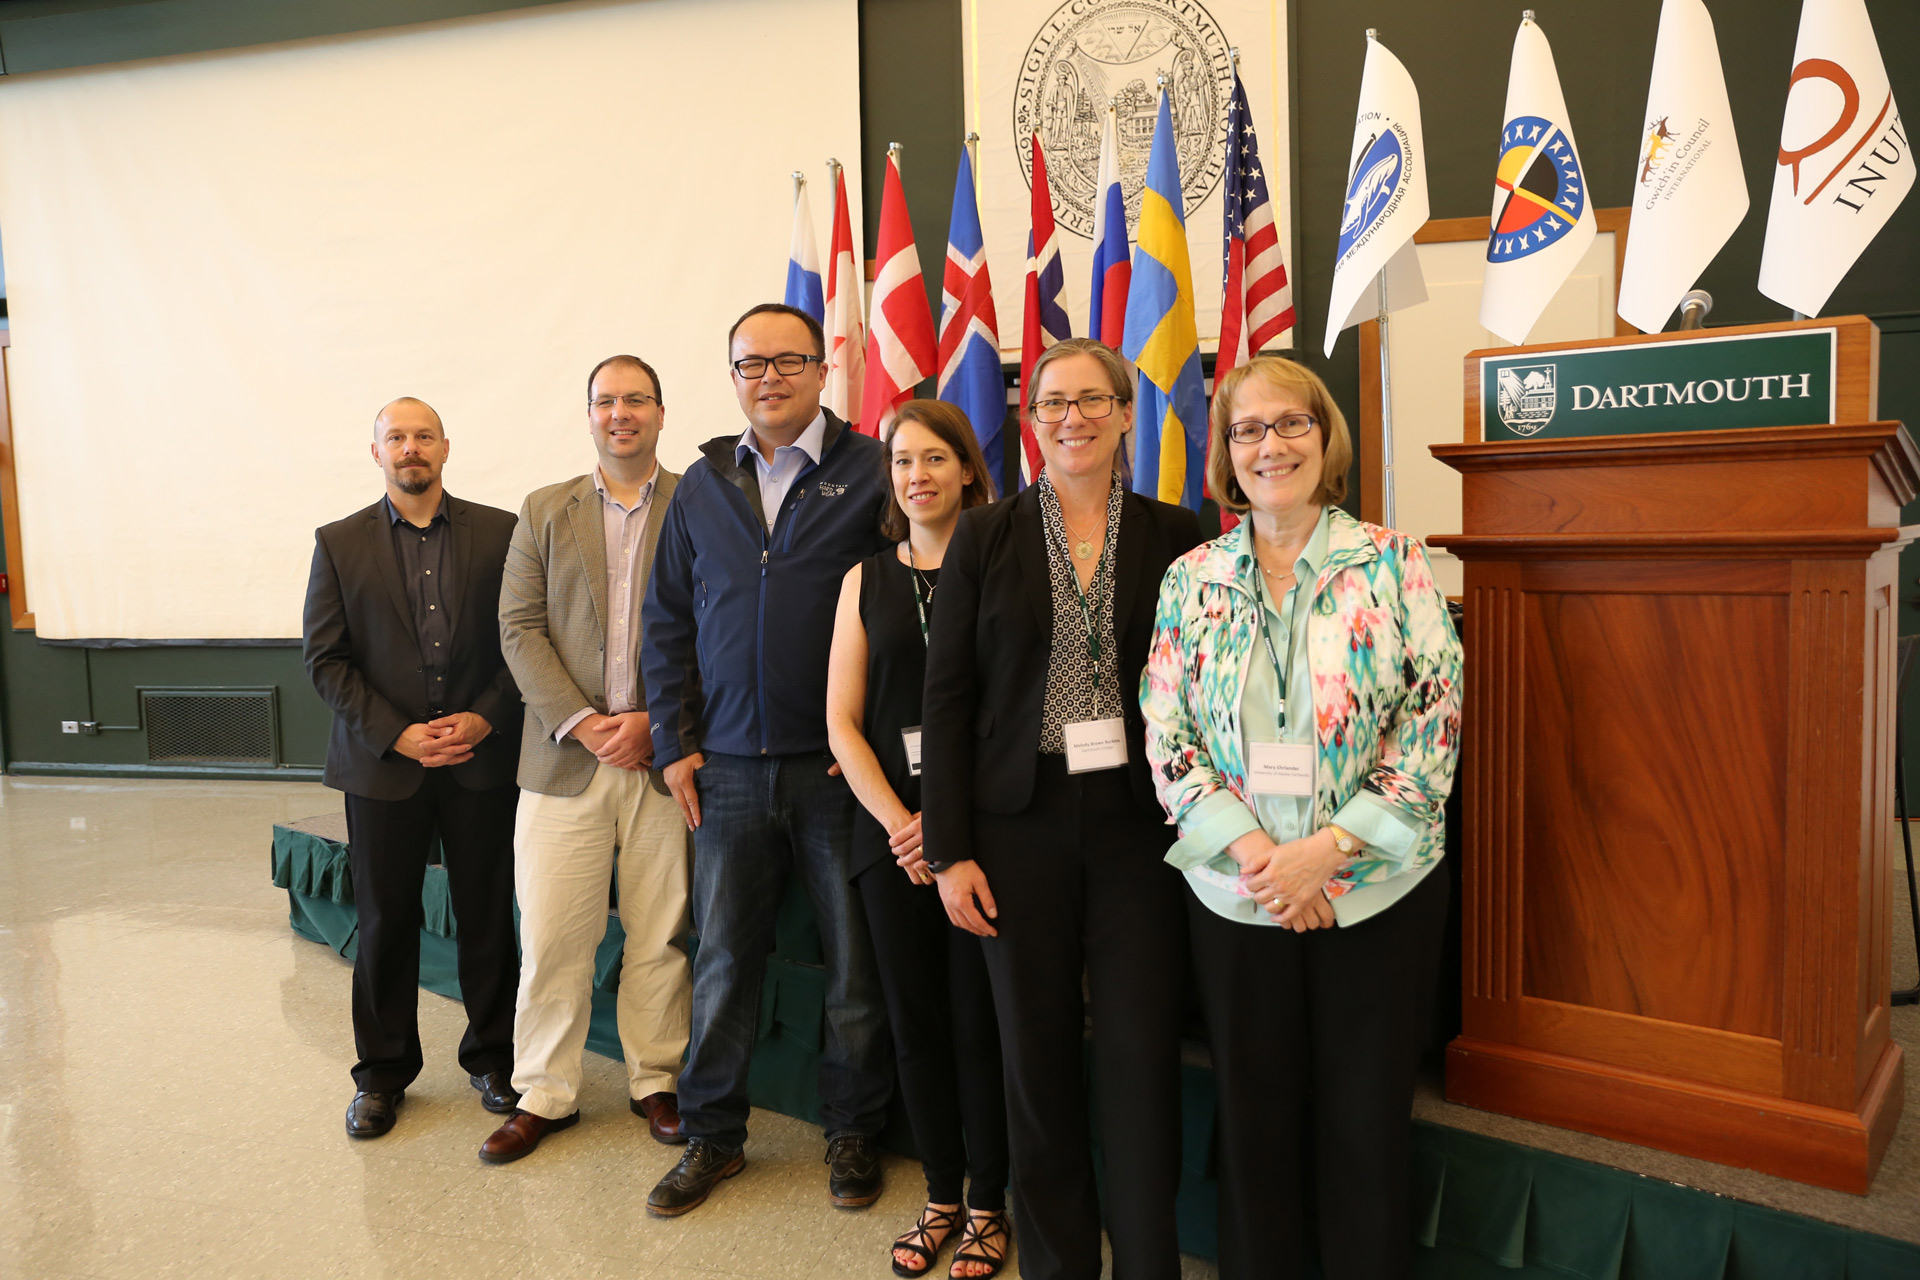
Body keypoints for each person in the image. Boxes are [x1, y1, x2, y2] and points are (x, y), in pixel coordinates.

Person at [1140, 355, 1463, 1280]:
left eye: (1292, 424)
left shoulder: (1396, 563)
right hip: (1242, 897)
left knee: (1365, 1123)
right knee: (1257, 1120)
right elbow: (1167, 732)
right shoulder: (1192, 578)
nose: (1270, 444)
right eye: (1248, 429)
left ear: (1326, 438)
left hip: (1376, 892)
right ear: (1225, 453)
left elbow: (1432, 721)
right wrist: (1265, 861)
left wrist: (1325, 853)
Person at [921, 338, 1201, 1280]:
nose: (1071, 418)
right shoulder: (985, 536)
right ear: (1029, 420)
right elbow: (947, 698)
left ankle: (1148, 1262)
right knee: (1034, 1064)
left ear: (1127, 414)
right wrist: (951, 849)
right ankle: (1057, 1265)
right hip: (1015, 827)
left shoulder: (1181, 536)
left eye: (1092, 401)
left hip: (1140, 830)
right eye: (1052, 403)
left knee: (1138, 1058)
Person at [640, 302, 894, 1216]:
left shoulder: (873, 471)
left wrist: (870, 748)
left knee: (853, 966)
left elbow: (907, 614)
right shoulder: (701, 484)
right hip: (729, 774)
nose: (771, 378)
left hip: (836, 771)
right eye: (752, 364)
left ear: (825, 372)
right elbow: (666, 621)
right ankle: (713, 1137)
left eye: (790, 362)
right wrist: (675, 746)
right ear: (734, 375)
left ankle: (853, 1131)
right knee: (722, 965)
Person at [479, 355, 693, 1163]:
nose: (621, 414)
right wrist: (581, 720)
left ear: (661, 414)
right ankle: (545, 1090)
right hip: (564, 759)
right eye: (607, 401)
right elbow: (518, 628)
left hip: (659, 762)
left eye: (636, 400)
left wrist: (656, 725)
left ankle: (656, 1079)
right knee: (553, 935)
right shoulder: (543, 509)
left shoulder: (698, 503)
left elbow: (716, 623)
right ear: (590, 414)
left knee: (659, 933)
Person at [302, 397, 523, 1139]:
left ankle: (494, 1060)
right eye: (395, 437)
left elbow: (522, 641)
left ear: (445, 448)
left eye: (423, 435)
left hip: (479, 760)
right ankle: (382, 1076)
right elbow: (326, 662)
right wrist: (398, 734)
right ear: (376, 454)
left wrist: (487, 715)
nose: (410, 448)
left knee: (489, 916)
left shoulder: (501, 533)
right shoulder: (337, 543)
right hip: (382, 768)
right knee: (385, 921)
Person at [824, 402, 1010, 1279]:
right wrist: (905, 827)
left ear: (969, 469)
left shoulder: (1006, 563)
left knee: (981, 1023)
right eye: (902, 460)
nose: (917, 475)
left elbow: (1013, 715)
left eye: (936, 457)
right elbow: (842, 723)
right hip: (889, 837)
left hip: (984, 835)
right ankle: (940, 1192)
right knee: (917, 1025)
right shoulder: (865, 579)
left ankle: (988, 1204)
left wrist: (947, 830)